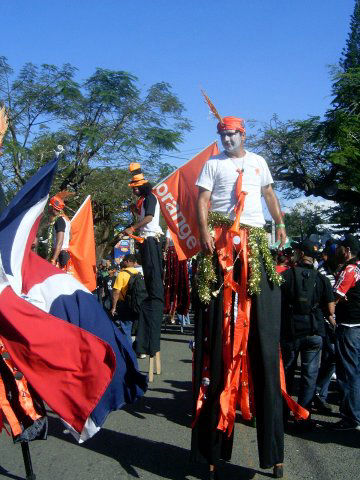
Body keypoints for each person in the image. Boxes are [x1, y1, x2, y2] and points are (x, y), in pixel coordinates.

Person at [192, 107, 288, 479]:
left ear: (244, 136)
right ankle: (214, 448)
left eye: (233, 134)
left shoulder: (259, 162)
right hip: (221, 243)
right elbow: (201, 200)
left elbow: (268, 194)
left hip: (255, 244)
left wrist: (280, 222)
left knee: (263, 340)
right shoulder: (213, 165)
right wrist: (203, 234)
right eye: (222, 134)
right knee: (220, 338)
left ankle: (274, 451)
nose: (227, 139)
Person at [281, 239, 335, 427]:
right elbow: (330, 309)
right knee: (309, 376)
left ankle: (283, 413)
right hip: (314, 332)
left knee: (287, 372)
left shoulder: (286, 276)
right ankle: (303, 416)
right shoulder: (321, 279)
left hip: (290, 332)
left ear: (301, 254)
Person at [121, 163, 164, 358]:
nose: (134, 190)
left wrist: (132, 227)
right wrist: (132, 213)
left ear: (144, 187)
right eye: (133, 188)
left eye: (137, 188)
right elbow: (141, 217)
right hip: (145, 243)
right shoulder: (141, 201)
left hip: (152, 241)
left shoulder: (151, 198)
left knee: (155, 285)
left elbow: (148, 219)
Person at [331, 235, 360, 431]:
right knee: (356, 371)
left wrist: (329, 312)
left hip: (349, 326)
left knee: (348, 373)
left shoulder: (349, 269)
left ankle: (351, 417)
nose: (337, 250)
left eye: (340, 247)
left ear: (347, 250)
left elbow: (335, 296)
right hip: (357, 326)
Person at [314, 242, 338, 413]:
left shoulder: (342, 270)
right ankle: (319, 395)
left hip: (340, 321)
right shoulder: (321, 273)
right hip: (326, 322)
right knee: (330, 357)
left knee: (334, 359)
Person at [111, 254, 141, 343]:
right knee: (136, 328)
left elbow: (116, 292)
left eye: (124, 260)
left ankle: (128, 352)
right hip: (137, 304)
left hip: (125, 304)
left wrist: (114, 307)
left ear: (127, 261)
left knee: (126, 328)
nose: (122, 262)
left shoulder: (122, 274)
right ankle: (138, 350)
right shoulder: (138, 273)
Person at [48, 191, 72, 270]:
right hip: (63, 254)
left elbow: (60, 242)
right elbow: (70, 236)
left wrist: (53, 260)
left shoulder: (59, 220)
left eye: (49, 206)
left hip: (60, 256)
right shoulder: (66, 219)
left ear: (52, 208)